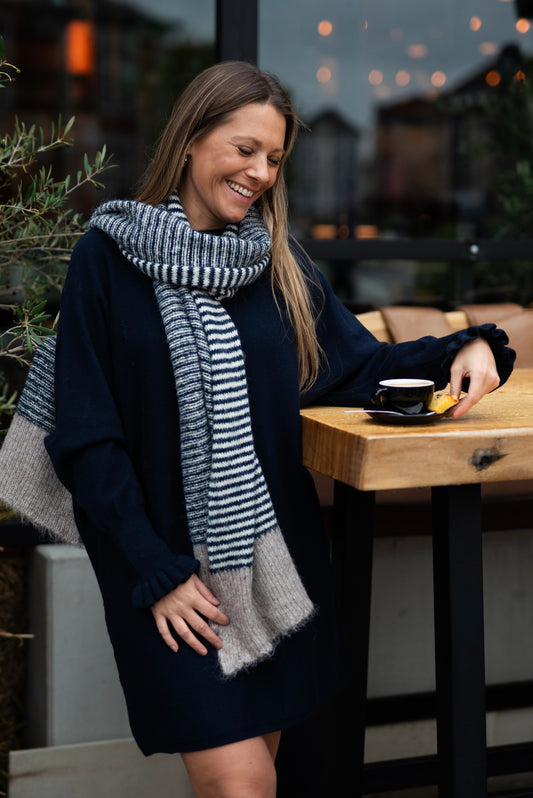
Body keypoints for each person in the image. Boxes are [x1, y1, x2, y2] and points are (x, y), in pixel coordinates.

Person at [28, 61, 513, 797]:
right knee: (242, 782)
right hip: (168, 580)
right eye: (243, 148)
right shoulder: (109, 258)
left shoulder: (277, 266)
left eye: (274, 157)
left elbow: (361, 369)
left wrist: (470, 343)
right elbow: (87, 435)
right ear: (190, 140)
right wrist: (153, 570)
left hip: (273, 574)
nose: (259, 172)